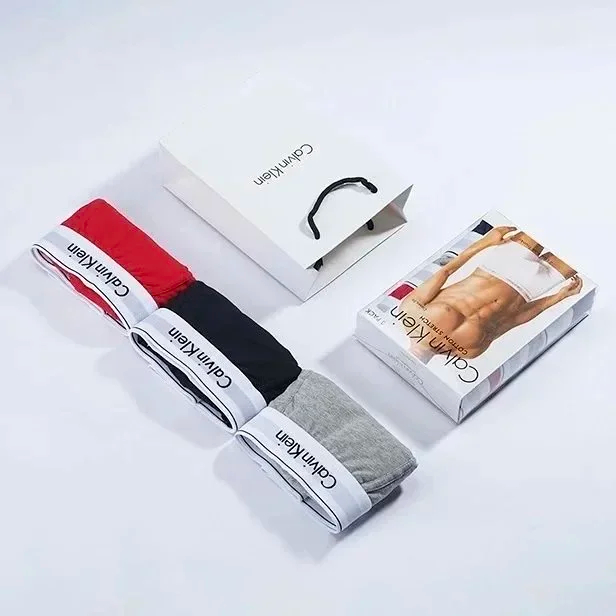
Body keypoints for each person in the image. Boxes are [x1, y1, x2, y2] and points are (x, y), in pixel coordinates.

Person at [397, 226, 583, 363]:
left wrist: (485, 242)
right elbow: (513, 320)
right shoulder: (468, 352)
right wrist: (558, 297)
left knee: (542, 223)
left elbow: (445, 271)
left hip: (500, 265)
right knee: (580, 243)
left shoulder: (409, 313)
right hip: (531, 287)